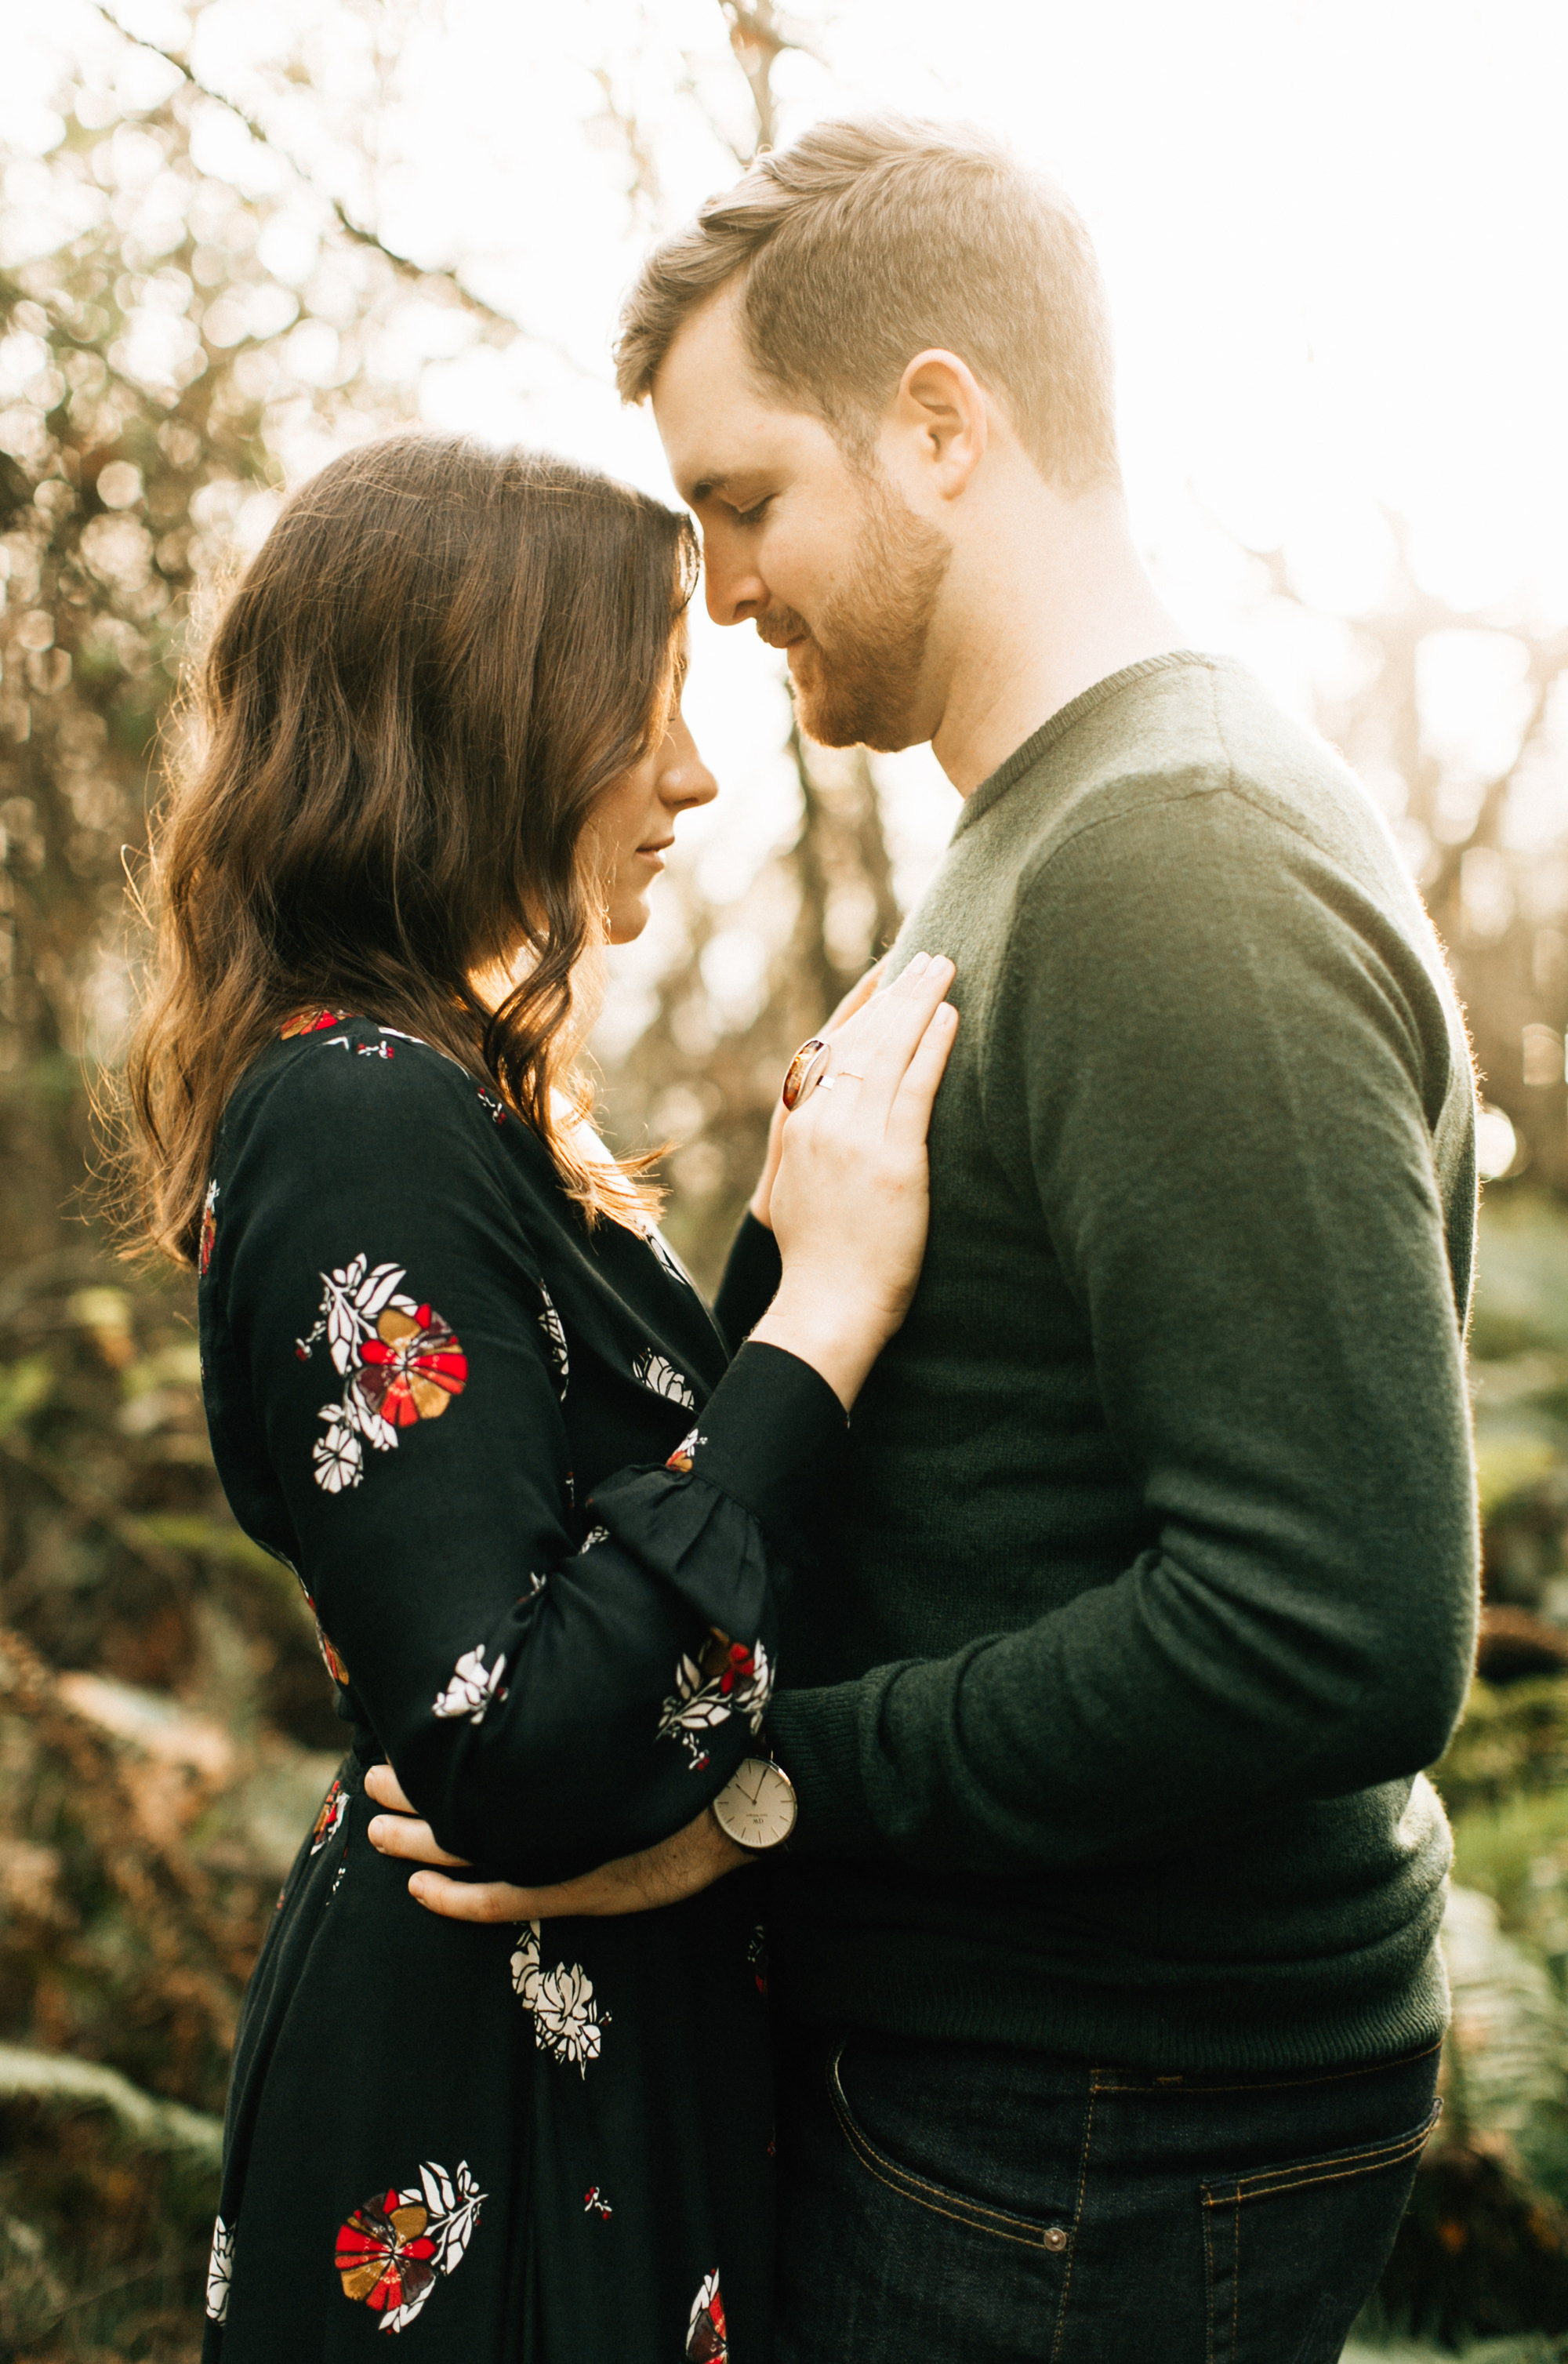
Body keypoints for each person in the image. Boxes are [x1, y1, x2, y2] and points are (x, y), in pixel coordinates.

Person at [381, 120, 1480, 2361]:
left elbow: (1335, 1625)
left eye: (744, 500)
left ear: (944, 424)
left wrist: (763, 1803)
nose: (719, 589)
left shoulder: (1177, 865)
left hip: (1094, 2123)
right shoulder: (1047, 836)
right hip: (1027, 2085)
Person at [124, 428, 957, 2360]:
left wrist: (776, 1257)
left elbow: (615, 1504)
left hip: (591, 2062)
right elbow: (506, 1745)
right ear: (479, 728)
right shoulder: (358, 1116)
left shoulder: (453, 1096)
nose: (694, 771)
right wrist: (816, 1318)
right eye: (640, 710)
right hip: (485, 2117)